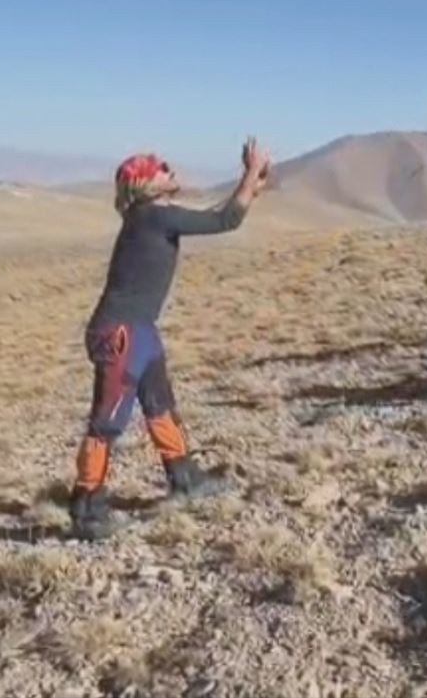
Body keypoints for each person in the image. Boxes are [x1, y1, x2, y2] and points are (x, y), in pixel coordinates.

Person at [68, 139, 273, 541]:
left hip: (140, 331)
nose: (169, 168)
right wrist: (249, 176)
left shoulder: (152, 217)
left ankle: (185, 479)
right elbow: (224, 220)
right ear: (144, 184)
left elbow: (219, 214)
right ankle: (87, 504)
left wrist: (249, 186)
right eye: (160, 167)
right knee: (106, 423)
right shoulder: (151, 217)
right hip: (121, 333)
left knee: (161, 406)